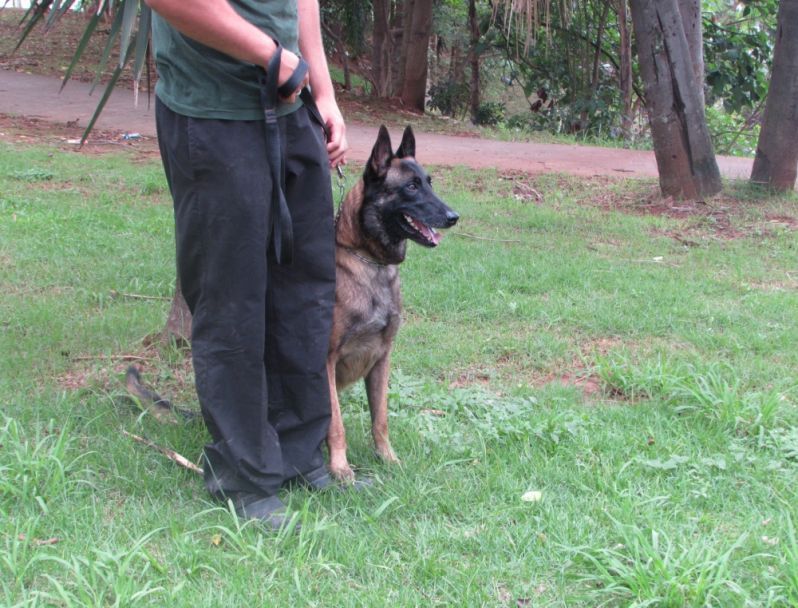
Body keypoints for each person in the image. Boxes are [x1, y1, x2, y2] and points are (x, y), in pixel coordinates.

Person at [144, 0, 349, 530]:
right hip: (212, 114)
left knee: (304, 285)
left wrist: (321, 89)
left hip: (290, 108)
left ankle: (299, 451)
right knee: (230, 295)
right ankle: (244, 476)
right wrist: (271, 56)